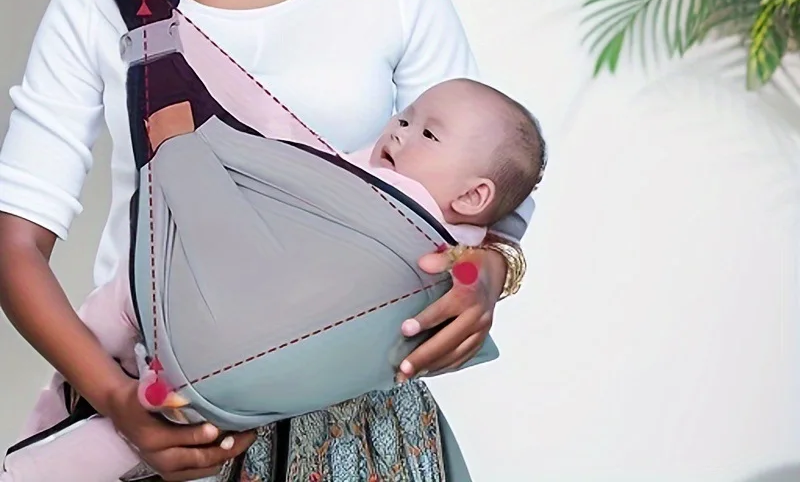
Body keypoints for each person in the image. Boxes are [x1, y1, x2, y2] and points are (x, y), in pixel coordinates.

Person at [0, 0, 531, 480]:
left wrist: (487, 275)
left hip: (363, 438)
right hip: (176, 423)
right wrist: (116, 403)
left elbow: (490, 187)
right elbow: (16, 243)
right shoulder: (103, 0)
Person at [1, 78, 545, 482]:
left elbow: (502, 178)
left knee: (124, 415)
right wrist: (109, 391)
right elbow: (15, 243)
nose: (401, 129)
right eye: (403, 117)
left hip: (343, 426)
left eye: (424, 131)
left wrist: (489, 267)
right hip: (177, 337)